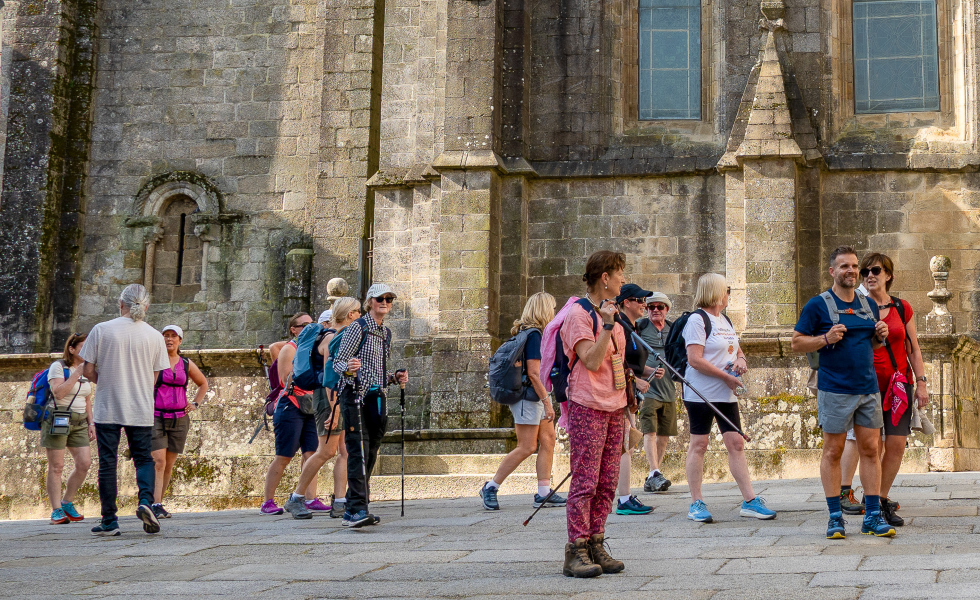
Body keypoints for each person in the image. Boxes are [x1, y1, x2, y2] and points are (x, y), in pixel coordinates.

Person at [792, 245, 896, 539]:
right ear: (832, 271)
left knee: (871, 450)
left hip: (868, 388)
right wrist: (825, 338)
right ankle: (835, 517)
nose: (851, 271)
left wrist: (880, 336)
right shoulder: (818, 305)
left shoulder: (868, 304)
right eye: (844, 267)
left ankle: (873, 517)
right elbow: (797, 343)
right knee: (833, 450)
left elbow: (871, 346)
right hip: (835, 389)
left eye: (854, 267)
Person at [683, 273, 775, 524]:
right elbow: (694, 359)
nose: (729, 294)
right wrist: (725, 377)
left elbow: (737, 348)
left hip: (726, 391)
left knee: (736, 443)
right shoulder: (697, 320)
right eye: (727, 289)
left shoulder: (724, 319)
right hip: (700, 393)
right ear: (715, 291)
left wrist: (741, 361)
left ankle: (749, 500)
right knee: (699, 444)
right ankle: (696, 503)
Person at [560, 250, 629, 579]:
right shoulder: (578, 314)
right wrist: (605, 326)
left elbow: (619, 363)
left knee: (607, 482)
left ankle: (597, 542)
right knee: (585, 482)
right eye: (619, 274)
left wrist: (628, 408)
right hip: (588, 405)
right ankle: (576, 549)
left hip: (615, 405)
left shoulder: (613, 313)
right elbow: (589, 360)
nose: (623, 280)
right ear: (605, 278)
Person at [80, 284, 169, 536]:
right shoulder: (154, 336)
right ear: (146, 306)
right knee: (144, 459)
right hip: (140, 406)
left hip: (108, 404)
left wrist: (108, 380)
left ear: (121, 304)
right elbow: (153, 379)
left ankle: (109, 520)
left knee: (107, 462)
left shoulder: (102, 330)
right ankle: (145, 501)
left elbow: (87, 371)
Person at [860, 252, 929, 527]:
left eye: (876, 270)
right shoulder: (858, 307)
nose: (870, 276)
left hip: (899, 385)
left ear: (888, 275)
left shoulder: (903, 308)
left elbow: (913, 347)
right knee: (873, 446)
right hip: (867, 385)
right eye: (865, 272)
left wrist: (921, 382)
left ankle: (881, 498)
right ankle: (874, 505)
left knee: (897, 445)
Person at [479, 292, 566, 511]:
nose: (554, 313)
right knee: (526, 446)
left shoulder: (529, 333)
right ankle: (491, 486)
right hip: (528, 396)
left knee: (548, 439)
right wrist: (548, 402)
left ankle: (543, 492)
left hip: (535, 395)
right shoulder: (535, 335)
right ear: (544, 310)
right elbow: (534, 374)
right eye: (552, 308)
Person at [332, 283, 409, 528]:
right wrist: (348, 368)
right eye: (380, 298)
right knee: (358, 449)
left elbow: (379, 370)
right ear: (370, 301)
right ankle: (353, 509)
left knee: (372, 448)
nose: (384, 302)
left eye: (389, 299)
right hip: (355, 394)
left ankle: (360, 506)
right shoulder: (357, 327)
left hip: (377, 395)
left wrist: (394, 377)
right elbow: (338, 362)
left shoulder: (385, 333)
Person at [283, 299, 358, 519]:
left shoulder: (335, 335)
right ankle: (296, 498)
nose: (360, 316)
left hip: (338, 398)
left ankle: (340, 501)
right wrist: (334, 409)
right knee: (325, 451)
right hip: (329, 399)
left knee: (344, 451)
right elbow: (329, 378)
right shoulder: (332, 337)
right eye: (357, 312)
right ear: (351, 315)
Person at [260, 312, 319, 515]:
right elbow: (286, 380)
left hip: (311, 405)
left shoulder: (313, 350)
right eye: (304, 325)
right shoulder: (289, 349)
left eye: (312, 325)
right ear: (293, 329)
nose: (309, 328)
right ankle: (267, 501)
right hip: (290, 405)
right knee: (284, 455)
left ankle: (309, 498)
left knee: (312, 453)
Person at [150, 325, 209, 519]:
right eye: (165, 336)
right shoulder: (154, 361)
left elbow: (203, 383)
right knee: (158, 461)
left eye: (173, 336)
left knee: (168, 464)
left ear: (180, 340)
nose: (169, 339)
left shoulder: (185, 363)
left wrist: (195, 403)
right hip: (156, 416)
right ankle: (154, 503)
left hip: (179, 419)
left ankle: (158, 502)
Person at [612, 284, 655, 516]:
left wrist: (648, 371)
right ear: (626, 302)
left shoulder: (632, 328)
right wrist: (635, 380)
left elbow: (633, 362)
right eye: (639, 300)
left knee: (627, 443)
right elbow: (616, 360)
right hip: (622, 391)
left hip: (630, 392)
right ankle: (624, 498)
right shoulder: (620, 326)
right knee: (626, 445)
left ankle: (623, 495)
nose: (644, 305)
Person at [44, 333, 94, 524]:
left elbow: (87, 398)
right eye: (82, 347)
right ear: (71, 349)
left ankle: (67, 502)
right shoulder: (59, 367)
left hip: (80, 421)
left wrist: (91, 423)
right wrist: (77, 373)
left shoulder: (89, 368)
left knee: (84, 463)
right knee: (57, 466)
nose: (86, 350)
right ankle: (56, 509)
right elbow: (58, 393)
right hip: (58, 418)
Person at [636, 292, 677, 493]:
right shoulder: (641, 327)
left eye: (660, 307)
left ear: (666, 309)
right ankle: (654, 471)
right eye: (651, 307)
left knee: (664, 434)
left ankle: (654, 476)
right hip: (649, 387)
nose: (655, 311)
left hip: (669, 388)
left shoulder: (672, 329)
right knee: (649, 430)